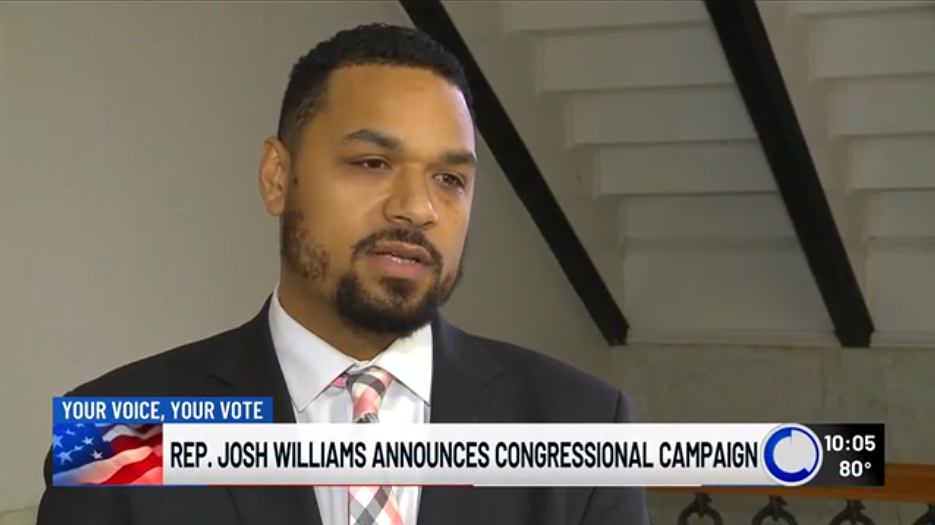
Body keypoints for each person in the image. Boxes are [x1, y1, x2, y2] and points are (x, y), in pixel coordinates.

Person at [36, 23, 650, 525]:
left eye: (449, 179)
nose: (417, 207)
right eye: (373, 162)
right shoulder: (119, 435)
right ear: (278, 178)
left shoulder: (583, 426)